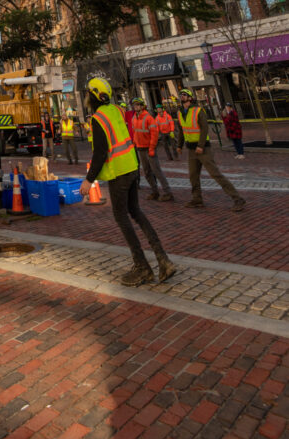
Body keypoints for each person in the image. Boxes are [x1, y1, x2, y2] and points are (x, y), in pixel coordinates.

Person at [80, 77, 175, 286]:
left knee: (121, 216)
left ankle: (142, 267)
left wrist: (88, 181)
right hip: (132, 167)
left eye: (88, 93)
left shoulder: (97, 118)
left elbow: (101, 153)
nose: (86, 96)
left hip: (119, 173)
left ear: (95, 95)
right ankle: (163, 259)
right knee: (136, 212)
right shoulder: (115, 110)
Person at [176, 89, 245, 210]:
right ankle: (197, 199)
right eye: (181, 95)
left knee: (215, 174)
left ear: (190, 98)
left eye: (184, 95)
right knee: (193, 176)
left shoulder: (198, 111)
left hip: (203, 149)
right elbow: (182, 130)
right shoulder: (180, 112)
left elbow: (204, 129)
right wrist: (179, 145)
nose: (182, 96)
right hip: (191, 149)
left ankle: (237, 199)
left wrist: (200, 146)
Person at [131, 98, 174, 202]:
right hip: (140, 148)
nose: (135, 107)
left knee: (156, 171)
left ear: (142, 106)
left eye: (137, 105)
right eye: (134, 105)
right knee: (146, 172)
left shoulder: (149, 118)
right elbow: (135, 132)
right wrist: (135, 143)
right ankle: (155, 191)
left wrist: (152, 148)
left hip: (148, 149)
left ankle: (168, 192)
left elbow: (154, 135)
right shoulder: (134, 118)